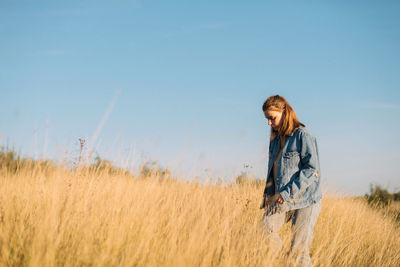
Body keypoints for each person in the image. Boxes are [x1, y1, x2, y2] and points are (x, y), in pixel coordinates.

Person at [259, 95, 322, 267]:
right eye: (267, 119)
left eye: (272, 118)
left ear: (284, 112)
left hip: (306, 200)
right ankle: (288, 264)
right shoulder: (275, 140)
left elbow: (311, 170)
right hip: (282, 199)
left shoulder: (304, 135)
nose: (269, 123)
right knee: (265, 226)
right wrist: (269, 197)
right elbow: (272, 171)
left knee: (299, 252)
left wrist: (287, 193)